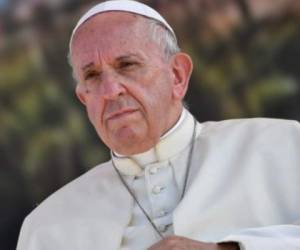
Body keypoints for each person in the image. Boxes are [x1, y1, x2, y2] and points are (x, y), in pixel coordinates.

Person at [17, 1, 300, 249]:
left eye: (127, 65)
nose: (110, 90)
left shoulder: (285, 146)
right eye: (92, 75)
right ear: (83, 98)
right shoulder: (46, 227)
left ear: (177, 76)